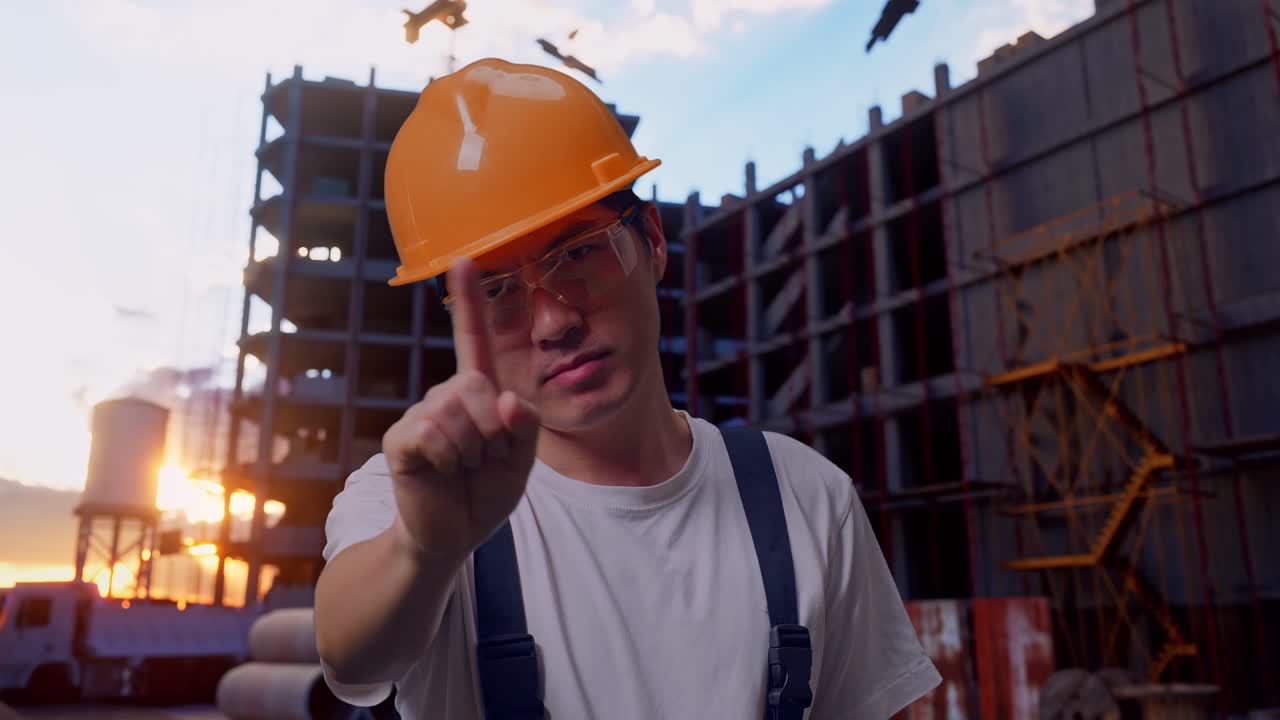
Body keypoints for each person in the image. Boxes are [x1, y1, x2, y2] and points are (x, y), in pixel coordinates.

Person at [313, 57, 941, 719]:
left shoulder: (807, 497)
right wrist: (424, 549)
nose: (554, 320)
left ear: (654, 242)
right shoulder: (420, 498)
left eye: (580, 251)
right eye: (497, 291)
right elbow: (351, 659)